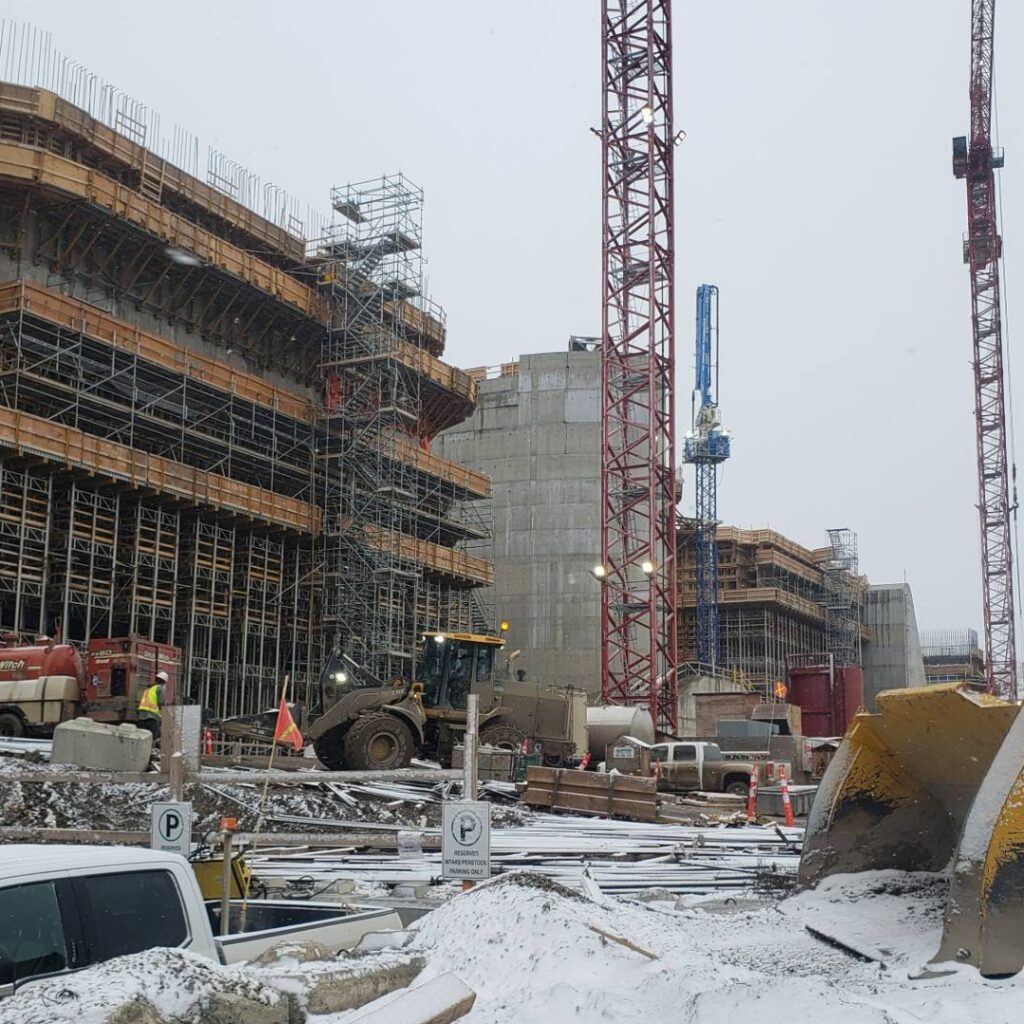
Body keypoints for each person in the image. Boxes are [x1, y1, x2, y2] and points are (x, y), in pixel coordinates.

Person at [136, 670, 168, 744]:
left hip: (141, 715)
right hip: (151, 716)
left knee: (142, 736)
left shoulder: (148, 688)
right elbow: (161, 702)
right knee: (153, 735)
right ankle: (151, 751)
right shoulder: (159, 688)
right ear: (164, 681)